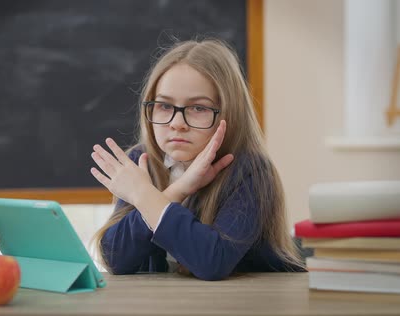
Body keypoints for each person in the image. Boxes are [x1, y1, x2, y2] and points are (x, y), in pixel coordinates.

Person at [90, 38, 305, 281]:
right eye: (164, 106)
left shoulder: (250, 171)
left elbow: (212, 262)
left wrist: (144, 195)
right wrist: (177, 191)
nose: (177, 123)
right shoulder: (141, 161)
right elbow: (116, 259)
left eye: (199, 108)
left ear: (228, 112)